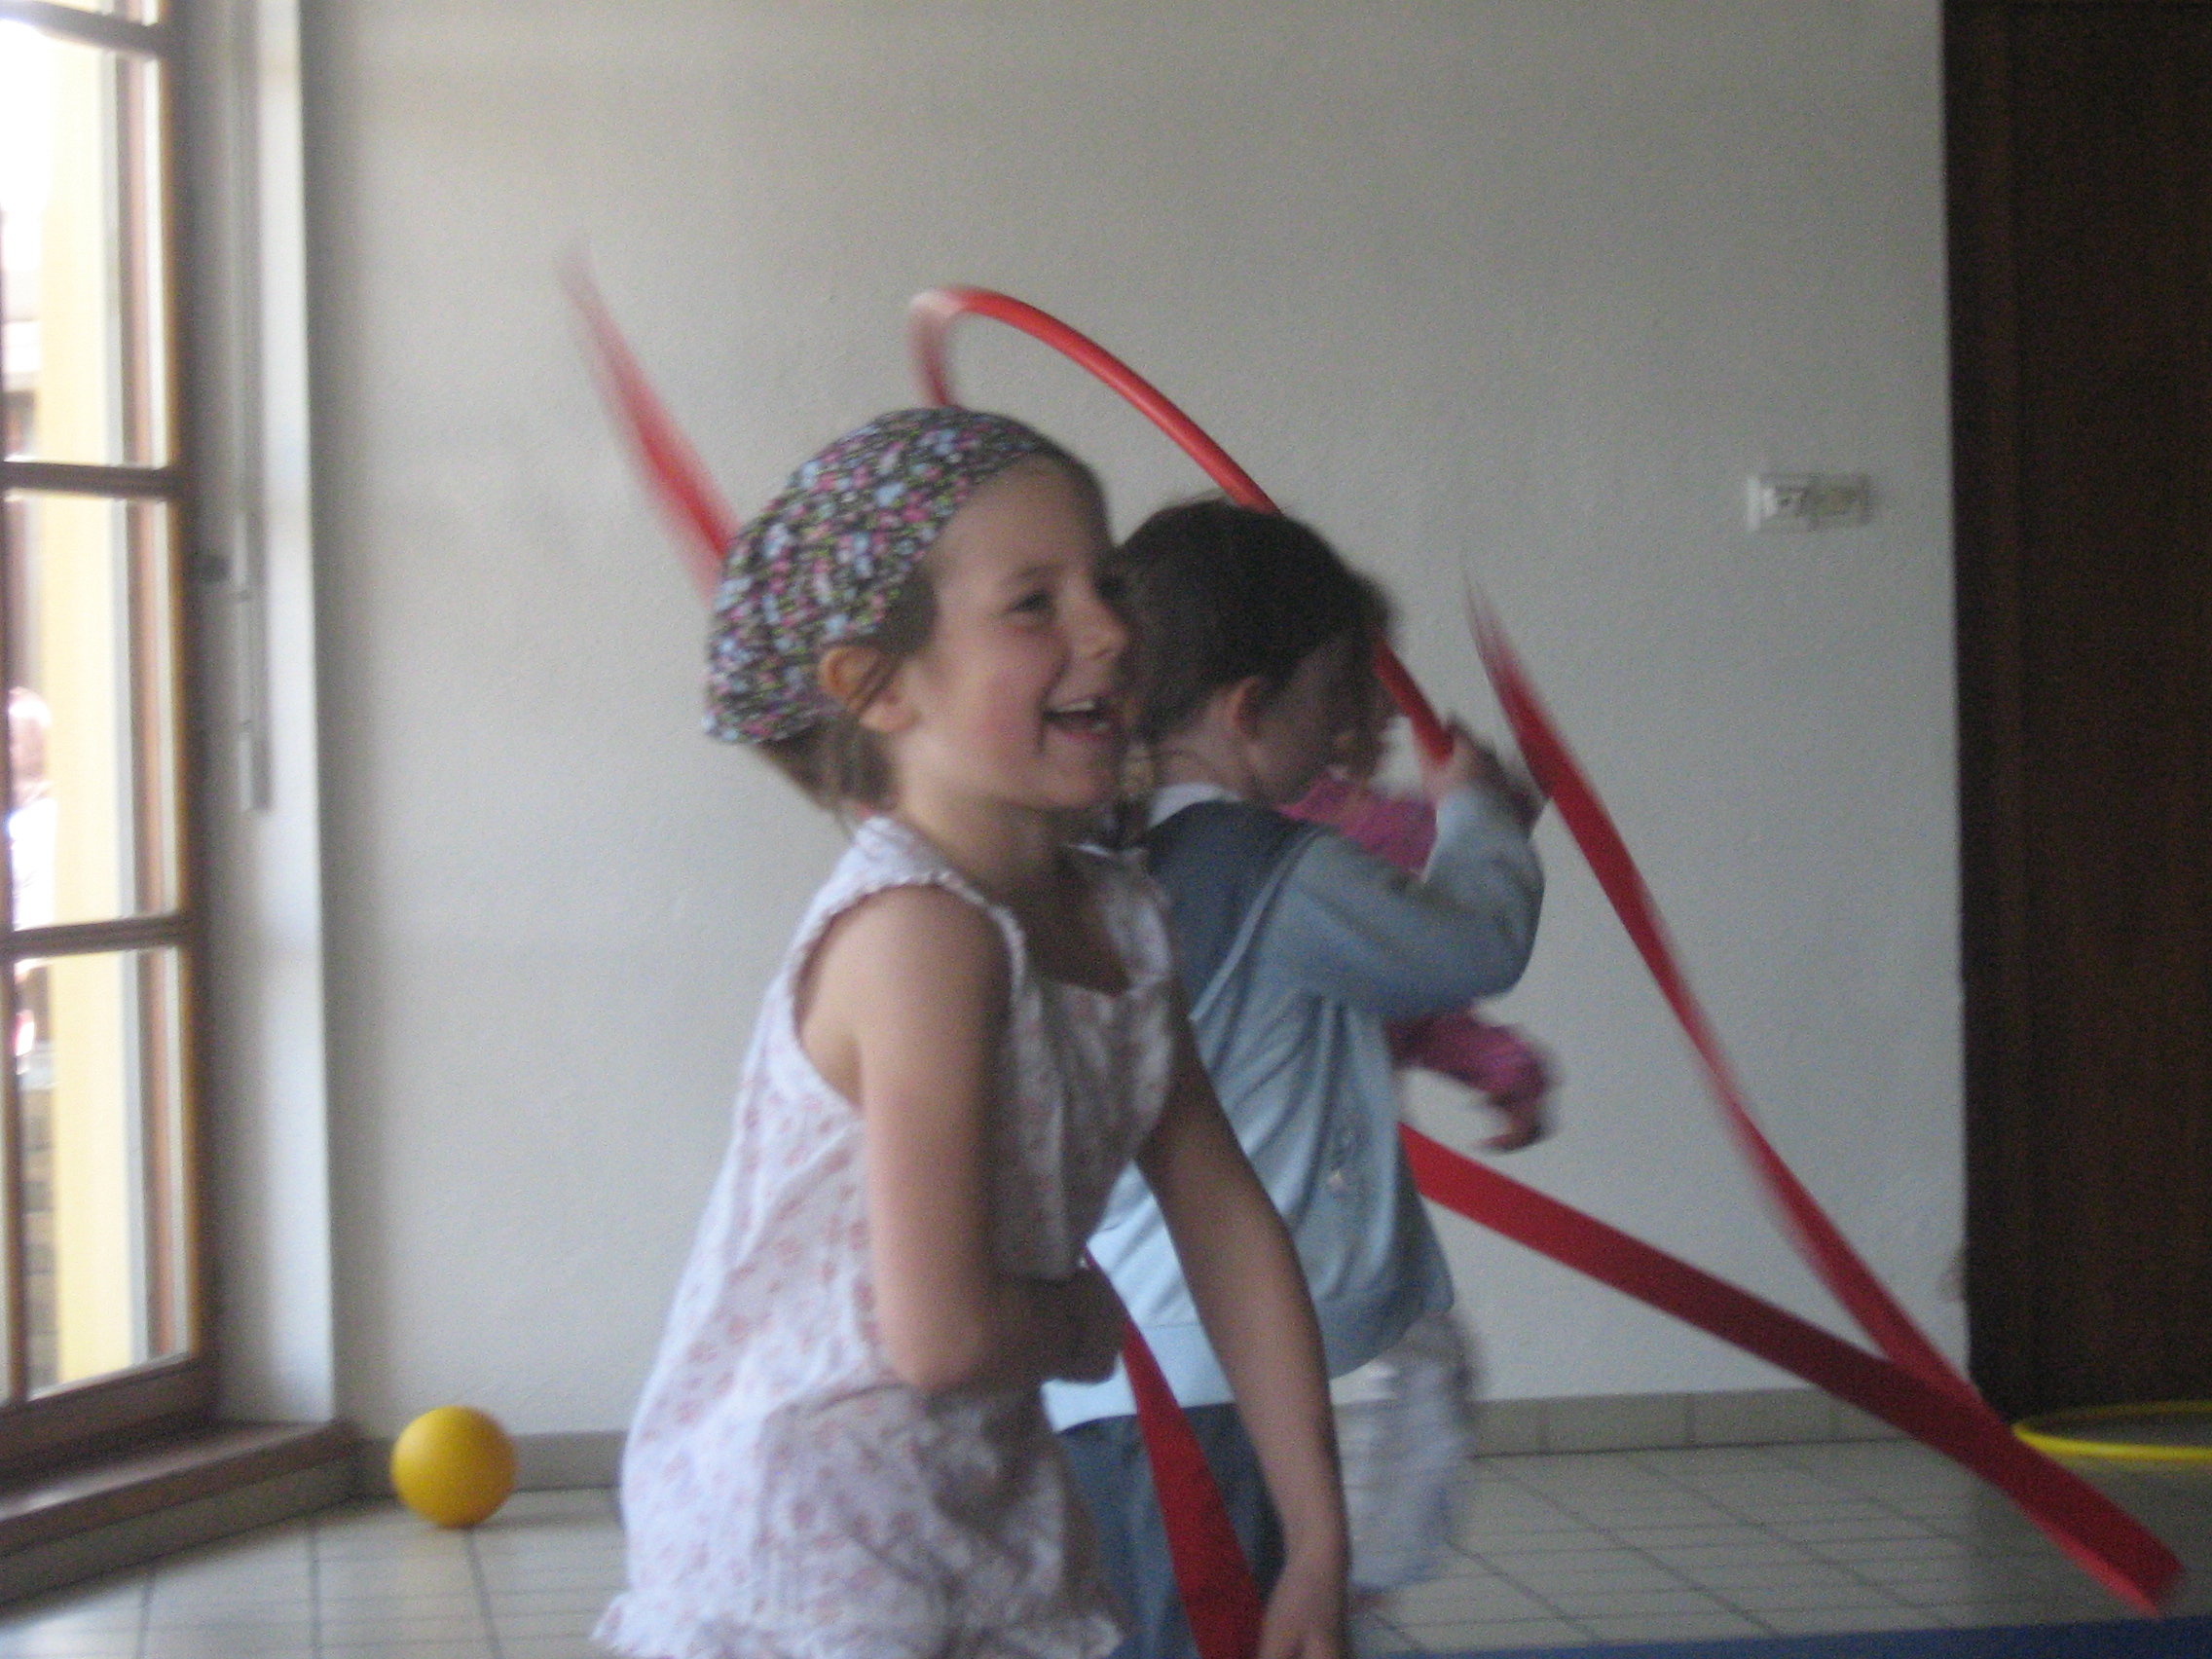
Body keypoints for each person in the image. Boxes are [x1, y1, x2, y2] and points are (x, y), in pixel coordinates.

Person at [596, 412, 1348, 1659]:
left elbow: (1224, 1221)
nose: (1109, 632)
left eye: (1108, 585)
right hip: (804, 1538)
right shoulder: (922, 937)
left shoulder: (1121, 920)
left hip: (971, 1504)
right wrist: (1085, 1326)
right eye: (1032, 605)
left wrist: (1315, 1539)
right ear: (880, 687)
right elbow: (941, 1334)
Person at [1045, 500, 1542, 1657]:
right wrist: (1478, 813)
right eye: (1335, 696)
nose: (1352, 731)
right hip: (1214, 1372)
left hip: (1119, 1366)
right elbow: (1473, 942)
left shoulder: (1114, 859)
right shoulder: (1278, 870)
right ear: (1247, 708)